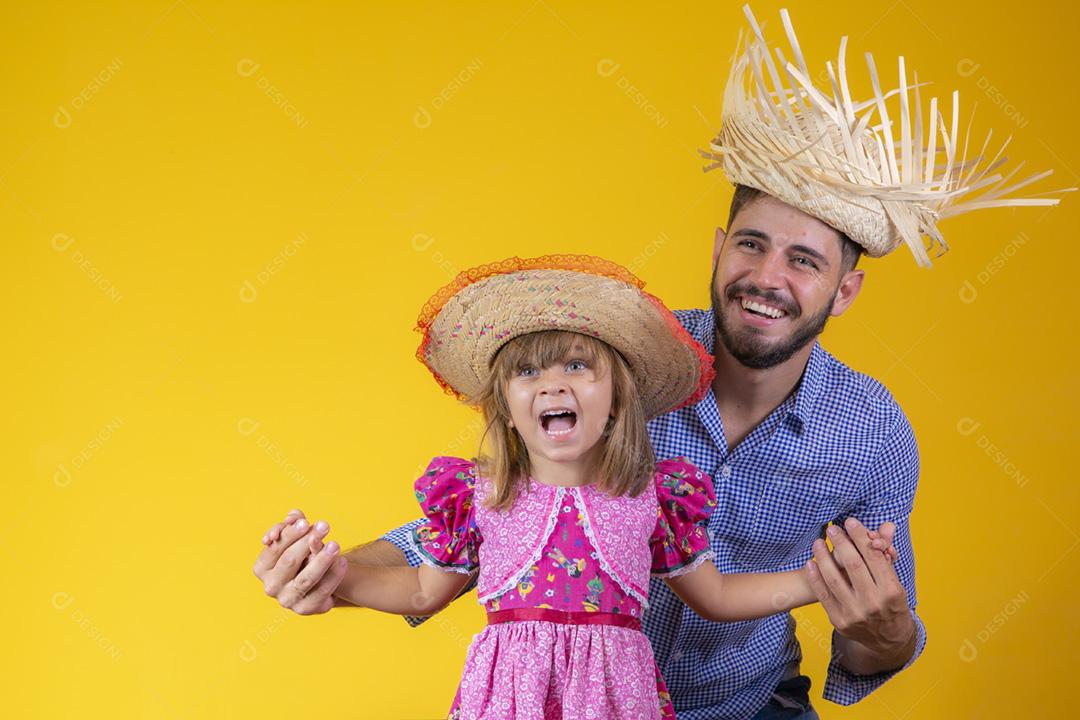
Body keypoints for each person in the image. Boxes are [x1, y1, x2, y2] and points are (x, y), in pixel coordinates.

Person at [254, 6, 1065, 718]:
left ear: (844, 290)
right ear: (718, 249)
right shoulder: (616, 362)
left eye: (804, 261)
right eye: (751, 244)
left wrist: (877, 626)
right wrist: (331, 573)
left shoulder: (871, 432)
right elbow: (484, 522)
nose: (767, 278)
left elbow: (874, 638)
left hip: (752, 705)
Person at [261, 255, 891, 720]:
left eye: (578, 365)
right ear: (506, 408)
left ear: (617, 400)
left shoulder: (653, 500)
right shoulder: (481, 496)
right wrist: (337, 575)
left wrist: (820, 580)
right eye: (527, 371)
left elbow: (718, 595)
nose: (552, 384)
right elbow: (423, 588)